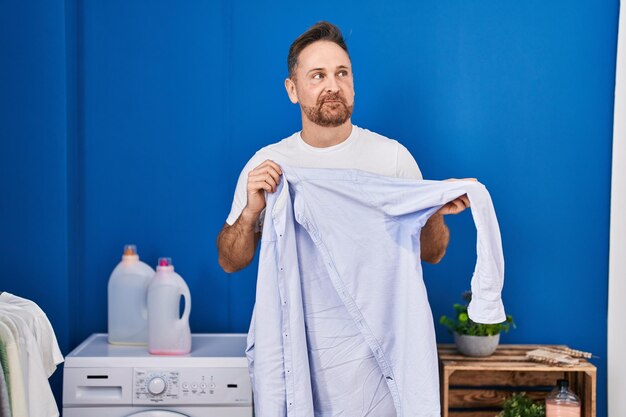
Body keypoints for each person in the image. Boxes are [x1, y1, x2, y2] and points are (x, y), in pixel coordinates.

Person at [217, 21, 470, 273]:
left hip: (376, 314)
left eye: (342, 73)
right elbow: (230, 262)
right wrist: (250, 213)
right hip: (297, 314)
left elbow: (432, 254)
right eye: (318, 76)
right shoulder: (268, 164)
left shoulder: (392, 158)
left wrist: (432, 207)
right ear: (292, 90)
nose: (334, 86)